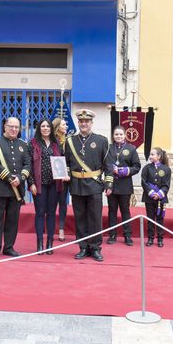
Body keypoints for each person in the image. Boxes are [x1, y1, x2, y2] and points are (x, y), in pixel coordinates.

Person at [64, 109, 112, 261]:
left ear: (91, 123)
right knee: (80, 218)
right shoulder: (70, 141)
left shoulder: (101, 140)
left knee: (95, 218)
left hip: (94, 185)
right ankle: (83, 247)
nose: (84, 124)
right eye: (81, 121)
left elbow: (108, 164)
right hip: (77, 185)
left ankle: (96, 248)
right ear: (78, 122)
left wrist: (109, 183)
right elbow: (66, 163)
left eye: (87, 121)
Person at [0, 117, 31, 260]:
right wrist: (10, 178)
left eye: (17, 127)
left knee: (13, 220)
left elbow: (27, 164)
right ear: (4, 126)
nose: (14, 129)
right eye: (11, 126)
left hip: (16, 190)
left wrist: (21, 177)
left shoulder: (23, 145)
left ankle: (9, 247)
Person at [28, 118, 67, 255]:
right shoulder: (33, 143)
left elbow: (62, 161)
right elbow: (29, 165)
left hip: (54, 184)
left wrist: (65, 174)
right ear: (39, 128)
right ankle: (39, 243)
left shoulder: (57, 144)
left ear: (51, 128)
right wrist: (31, 182)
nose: (45, 128)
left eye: (48, 126)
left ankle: (50, 243)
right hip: (39, 185)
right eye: (43, 126)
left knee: (51, 213)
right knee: (40, 213)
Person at [104, 126, 141, 246]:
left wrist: (125, 170)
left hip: (125, 185)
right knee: (112, 211)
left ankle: (127, 236)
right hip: (112, 185)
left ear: (125, 135)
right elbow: (105, 164)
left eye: (120, 134)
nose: (118, 136)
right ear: (113, 136)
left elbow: (137, 166)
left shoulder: (131, 149)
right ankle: (112, 235)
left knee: (125, 211)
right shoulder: (108, 148)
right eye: (116, 134)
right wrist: (107, 185)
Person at [141, 147, 171, 247]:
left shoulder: (166, 169)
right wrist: (151, 192)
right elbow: (144, 182)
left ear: (159, 156)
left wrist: (160, 194)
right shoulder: (147, 168)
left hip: (160, 198)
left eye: (153, 154)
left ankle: (160, 238)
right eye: (150, 154)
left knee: (160, 219)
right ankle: (150, 238)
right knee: (150, 218)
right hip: (149, 197)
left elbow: (166, 184)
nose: (150, 156)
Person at [52, 117, 69, 241]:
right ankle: (51, 228)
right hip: (52, 177)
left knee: (63, 203)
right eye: (63, 124)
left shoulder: (69, 141)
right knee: (51, 203)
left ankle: (61, 229)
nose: (66, 126)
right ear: (57, 127)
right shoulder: (52, 141)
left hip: (65, 177)